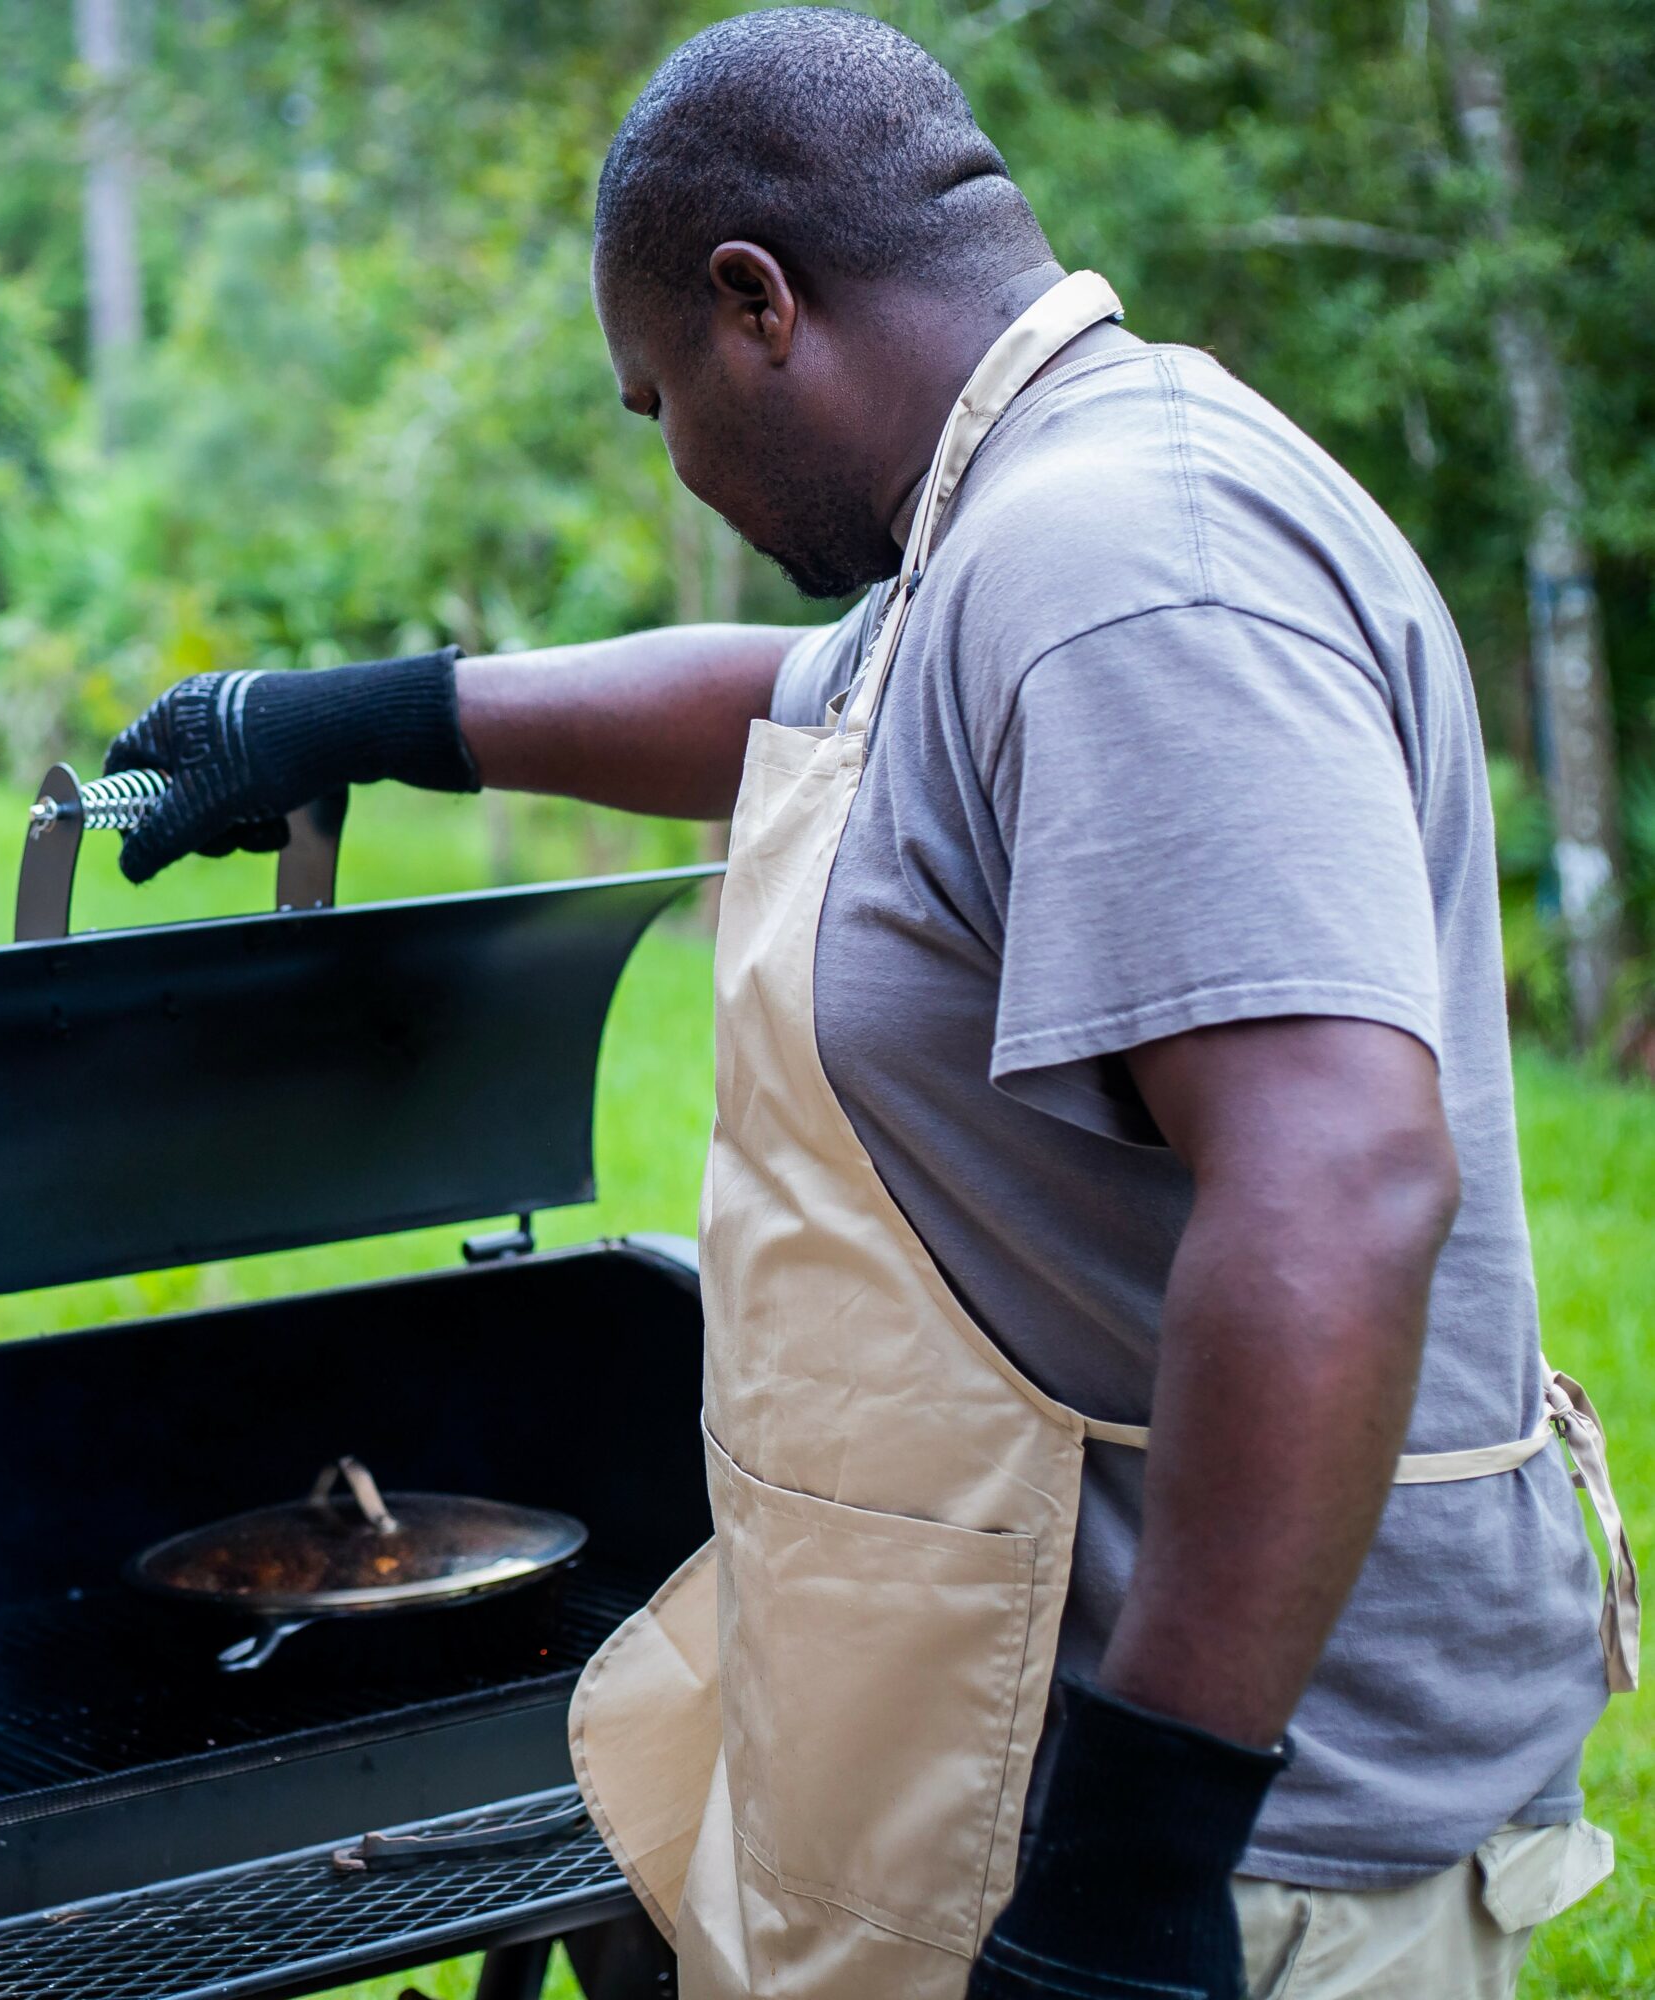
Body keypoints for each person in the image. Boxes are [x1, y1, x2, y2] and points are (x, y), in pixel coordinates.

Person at [102, 12, 1635, 1999]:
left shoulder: (1123, 563)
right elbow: (788, 696)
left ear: (757, 303)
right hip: (1000, 1756)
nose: (672, 454)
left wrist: (1137, 1869)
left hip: (1239, 1866)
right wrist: (362, 719)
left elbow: (1335, 1187)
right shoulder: (1012, 536)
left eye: (656, 399)